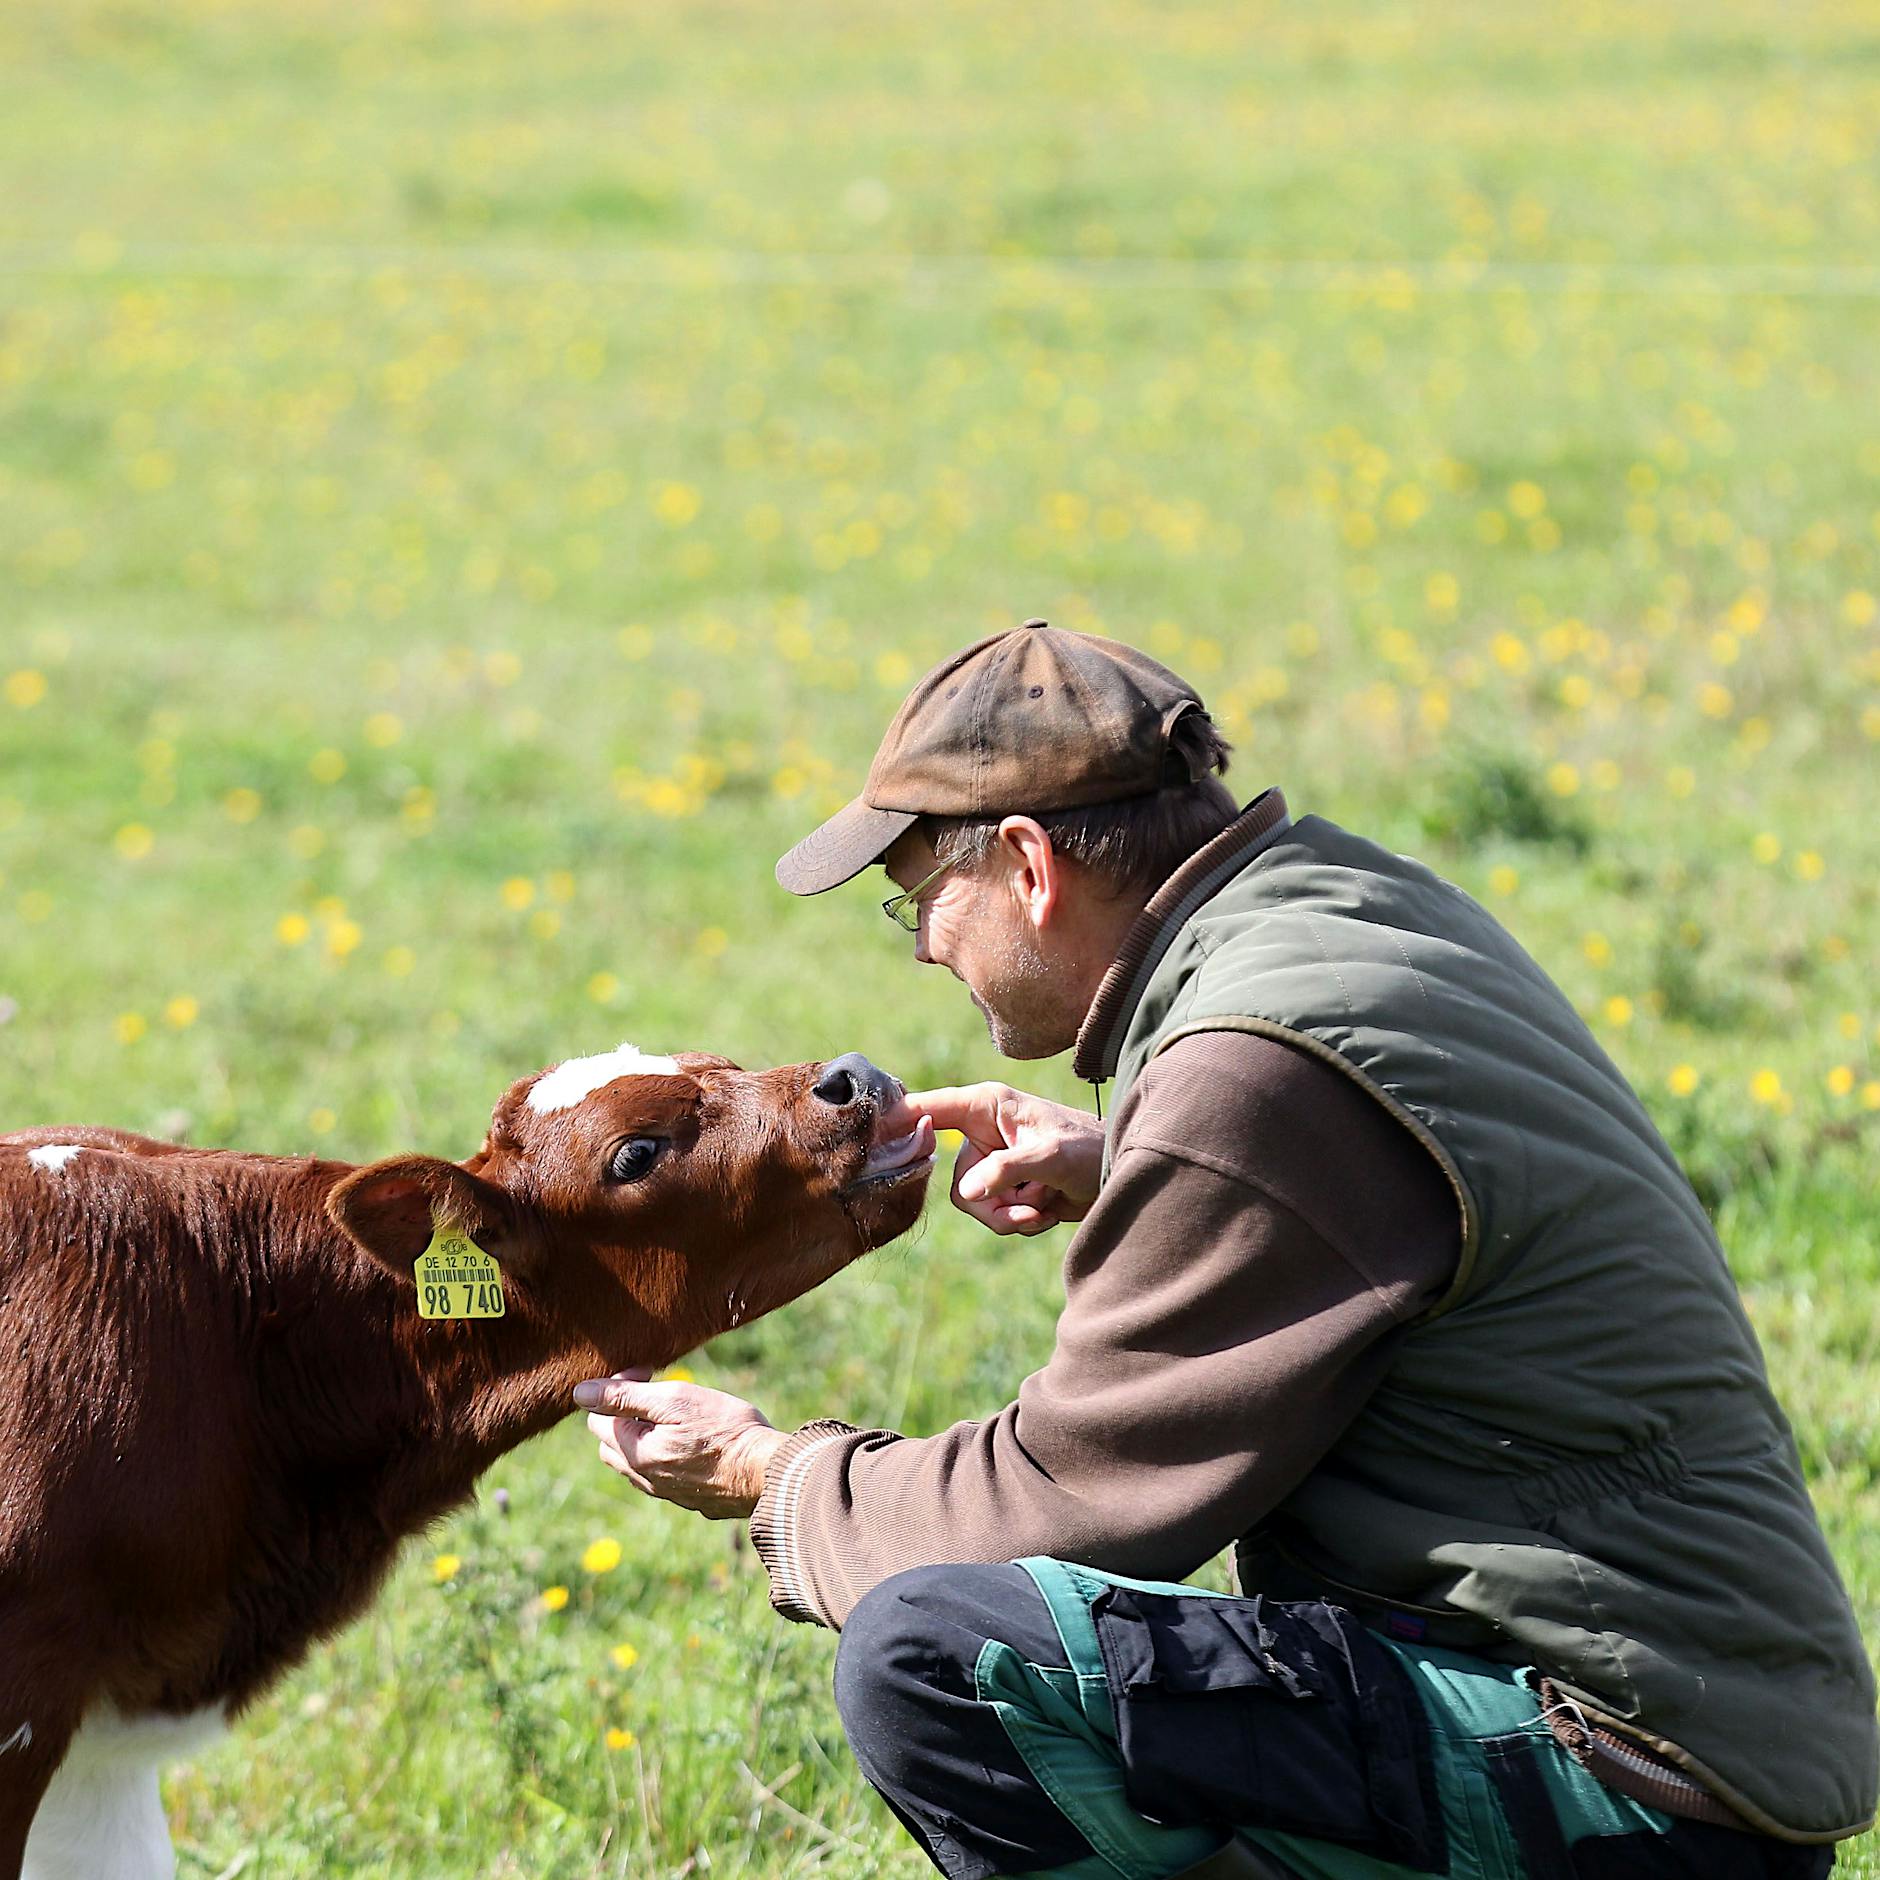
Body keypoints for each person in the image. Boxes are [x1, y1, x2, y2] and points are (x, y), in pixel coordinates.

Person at [573, 622, 1877, 1879]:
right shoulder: (1344, 912)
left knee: (940, 1654)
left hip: (1626, 1780)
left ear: (1029, 865)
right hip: (1694, 1720)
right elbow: (1411, 1209)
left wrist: (770, 1471)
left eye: (920, 899)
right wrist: (1130, 1162)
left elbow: (1059, 1502)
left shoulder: (1247, 1070)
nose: (921, 945)